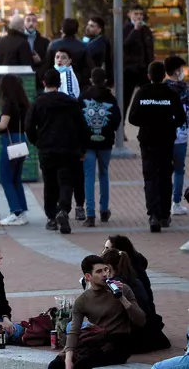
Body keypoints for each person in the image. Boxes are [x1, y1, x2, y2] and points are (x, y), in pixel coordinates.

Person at [47, 255, 146, 369]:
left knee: (82, 364)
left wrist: (121, 298)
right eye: (99, 271)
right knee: (55, 365)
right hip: (96, 340)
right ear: (88, 276)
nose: (104, 274)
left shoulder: (124, 289)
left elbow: (141, 320)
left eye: (106, 269)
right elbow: (74, 331)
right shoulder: (83, 300)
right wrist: (67, 359)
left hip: (119, 343)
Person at [26, 68, 90, 234]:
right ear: (60, 83)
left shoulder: (38, 102)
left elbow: (29, 126)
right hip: (69, 149)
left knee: (50, 183)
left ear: (44, 83)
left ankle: (51, 218)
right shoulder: (71, 102)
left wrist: (37, 141)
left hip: (47, 148)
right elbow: (83, 127)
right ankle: (63, 209)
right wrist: (82, 148)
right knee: (66, 181)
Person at [129, 61, 186, 232]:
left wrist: (147, 123)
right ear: (164, 76)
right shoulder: (171, 93)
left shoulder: (142, 93)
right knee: (164, 176)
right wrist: (169, 124)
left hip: (147, 140)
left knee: (150, 177)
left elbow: (132, 118)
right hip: (166, 140)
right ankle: (164, 214)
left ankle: (153, 214)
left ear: (148, 76)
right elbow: (181, 118)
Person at [101, 248, 171, 354]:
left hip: (133, 337)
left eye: (102, 269)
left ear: (109, 267)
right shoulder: (135, 280)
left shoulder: (115, 285)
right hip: (151, 334)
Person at [77, 68, 122, 227]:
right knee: (104, 174)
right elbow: (116, 120)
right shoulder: (111, 98)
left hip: (87, 143)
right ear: (104, 81)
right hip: (106, 143)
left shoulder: (83, 97)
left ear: (91, 79)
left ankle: (90, 214)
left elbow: (77, 120)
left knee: (88, 176)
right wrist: (108, 131)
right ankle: (104, 209)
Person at [0, 74, 31, 225]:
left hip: (10, 143)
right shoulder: (23, 104)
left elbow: (2, 125)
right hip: (21, 141)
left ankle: (16, 211)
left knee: (6, 178)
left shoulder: (8, 104)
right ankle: (22, 211)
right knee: (16, 178)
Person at [164, 55, 189, 216]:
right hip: (181, 135)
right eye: (181, 69)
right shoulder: (185, 90)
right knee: (179, 170)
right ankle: (176, 202)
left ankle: (164, 203)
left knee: (165, 170)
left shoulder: (163, 88)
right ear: (176, 70)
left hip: (164, 135)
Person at [123, 5, 156, 123]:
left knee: (148, 99)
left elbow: (149, 49)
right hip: (129, 70)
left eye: (140, 14)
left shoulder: (146, 29)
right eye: (136, 14)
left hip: (144, 70)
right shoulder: (126, 29)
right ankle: (121, 128)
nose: (138, 17)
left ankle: (147, 124)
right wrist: (135, 30)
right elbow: (124, 45)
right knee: (125, 100)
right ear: (129, 14)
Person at [47, 17, 94, 89]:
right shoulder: (83, 46)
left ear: (62, 30)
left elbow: (48, 65)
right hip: (78, 82)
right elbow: (89, 67)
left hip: (57, 81)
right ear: (76, 30)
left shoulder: (53, 45)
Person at [24, 13, 50, 90]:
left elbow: (49, 61)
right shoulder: (19, 40)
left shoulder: (45, 42)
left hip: (39, 79)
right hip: (23, 76)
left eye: (34, 21)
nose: (31, 23)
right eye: (28, 20)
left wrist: (40, 61)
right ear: (24, 23)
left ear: (37, 24)